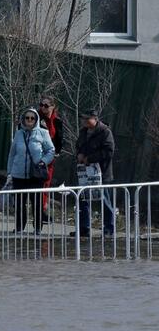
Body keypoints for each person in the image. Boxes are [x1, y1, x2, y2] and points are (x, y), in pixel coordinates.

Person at [5, 106, 55, 234]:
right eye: (27, 118)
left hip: (35, 174)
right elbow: (12, 153)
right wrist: (10, 172)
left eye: (32, 118)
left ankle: (37, 228)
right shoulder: (19, 133)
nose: (29, 120)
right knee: (19, 203)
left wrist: (43, 161)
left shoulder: (43, 133)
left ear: (36, 120)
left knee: (37, 202)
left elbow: (51, 150)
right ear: (23, 119)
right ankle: (19, 227)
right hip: (18, 174)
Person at [72, 109, 116, 237]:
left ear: (95, 119)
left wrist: (89, 159)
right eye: (83, 119)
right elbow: (78, 146)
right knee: (83, 199)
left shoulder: (105, 132)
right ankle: (83, 228)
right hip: (85, 172)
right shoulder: (83, 132)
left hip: (101, 173)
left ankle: (109, 228)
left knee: (104, 200)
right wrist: (79, 155)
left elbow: (109, 152)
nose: (84, 121)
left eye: (87, 119)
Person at [37, 95, 65, 219]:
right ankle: (34, 210)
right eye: (41, 105)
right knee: (35, 184)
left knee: (45, 184)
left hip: (49, 157)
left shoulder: (56, 121)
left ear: (53, 107)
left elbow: (59, 139)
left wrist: (56, 152)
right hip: (37, 155)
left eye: (46, 105)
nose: (43, 108)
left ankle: (42, 209)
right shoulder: (36, 118)